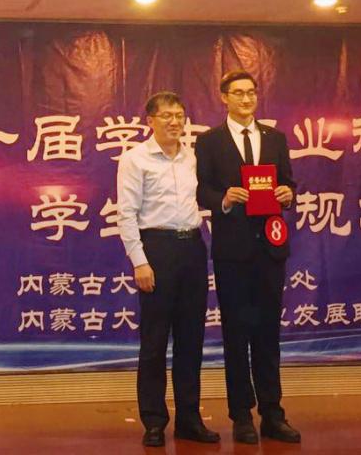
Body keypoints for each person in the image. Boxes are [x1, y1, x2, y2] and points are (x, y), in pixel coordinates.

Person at [194, 70, 300, 445]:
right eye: (238, 93)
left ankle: (273, 414)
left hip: (270, 250)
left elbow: (288, 182)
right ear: (224, 97)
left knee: (268, 334)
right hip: (233, 253)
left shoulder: (275, 138)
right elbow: (202, 190)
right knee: (236, 335)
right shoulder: (210, 141)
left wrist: (288, 194)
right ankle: (241, 415)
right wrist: (223, 199)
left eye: (251, 92)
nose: (246, 98)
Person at [116, 90, 220, 447]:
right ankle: (154, 421)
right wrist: (140, 261)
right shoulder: (135, 159)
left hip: (192, 247)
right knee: (155, 341)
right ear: (151, 121)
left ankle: (189, 419)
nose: (175, 122)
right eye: (167, 116)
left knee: (191, 340)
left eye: (179, 115)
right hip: (157, 249)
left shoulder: (192, 157)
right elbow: (126, 214)